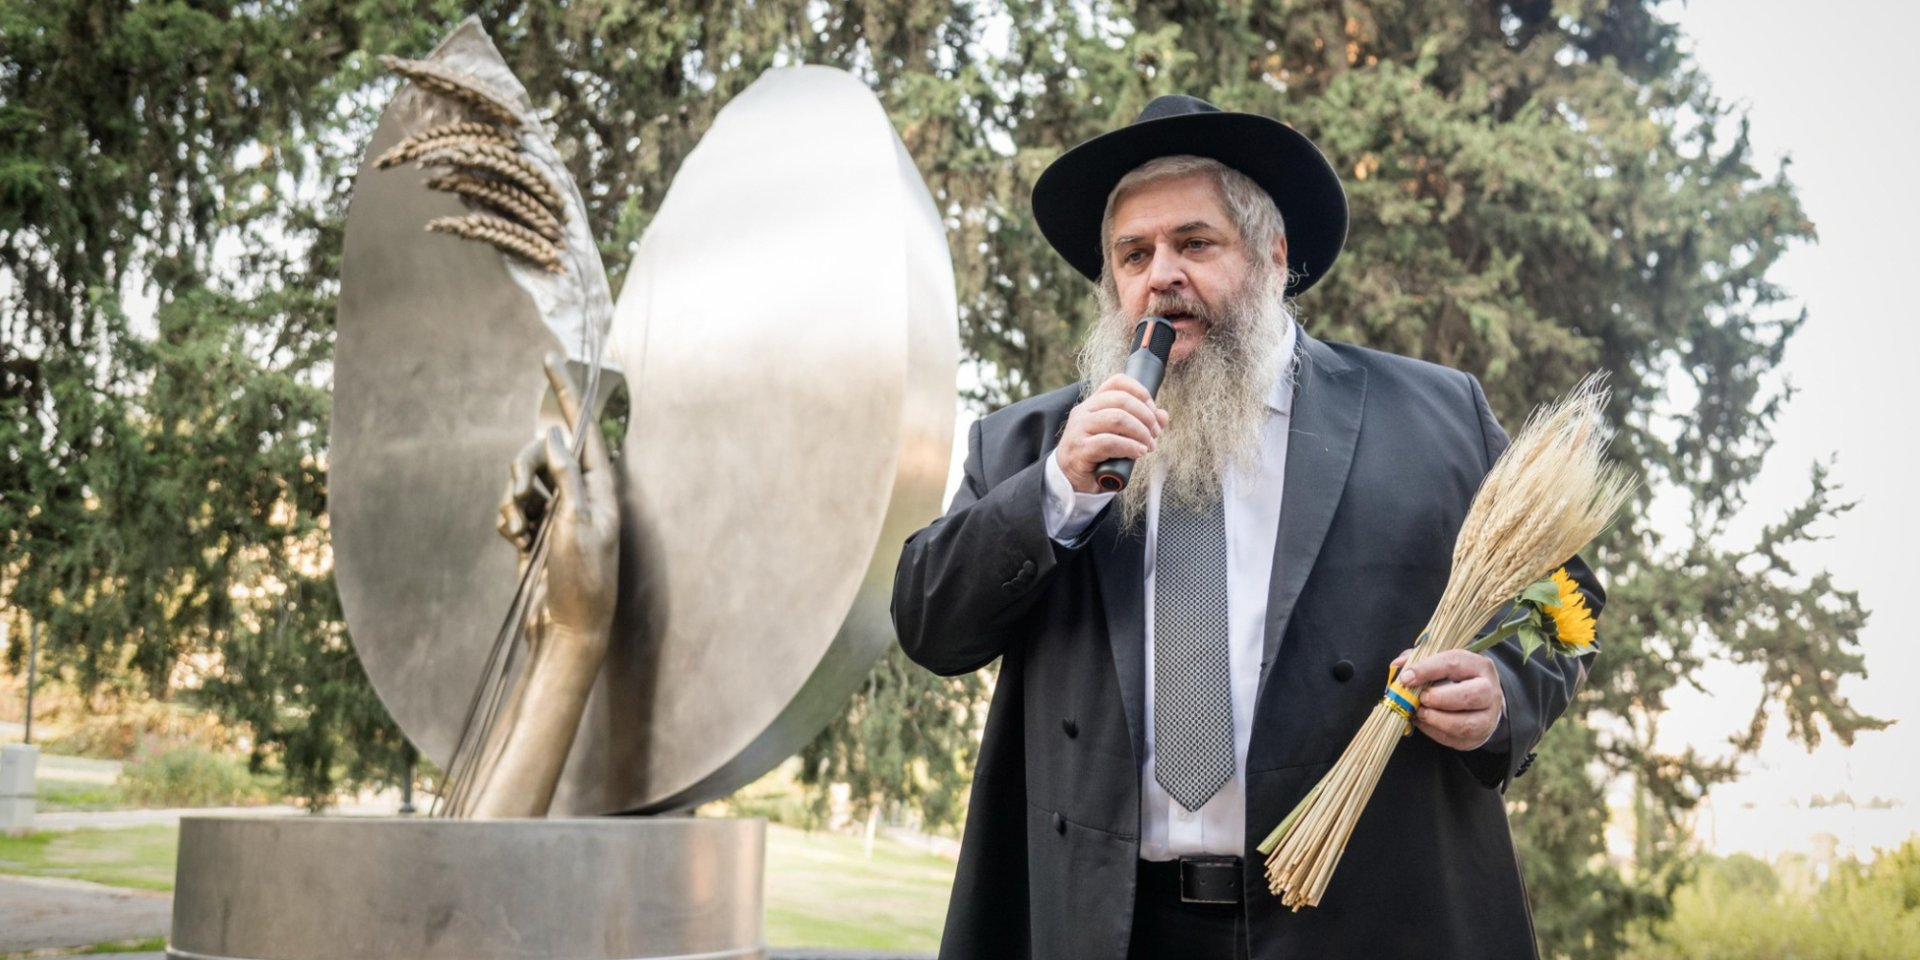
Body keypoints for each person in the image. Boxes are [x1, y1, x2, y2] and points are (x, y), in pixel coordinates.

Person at [892, 95, 1602, 960]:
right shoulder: (1030, 445)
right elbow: (930, 626)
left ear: (1272, 256)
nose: (1161, 275)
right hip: (1105, 924)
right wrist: (1055, 490)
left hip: (1359, 917)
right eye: (1134, 254)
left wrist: (1501, 694)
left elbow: (1566, 602)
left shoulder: (1433, 417)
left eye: (1195, 244)